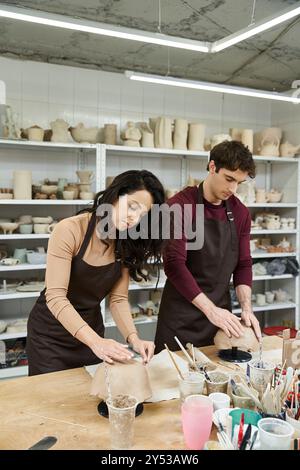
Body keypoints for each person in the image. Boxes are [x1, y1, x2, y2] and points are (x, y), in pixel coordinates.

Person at [27, 170, 165, 375]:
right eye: (132, 206)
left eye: (142, 214)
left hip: (91, 334)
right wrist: (96, 342)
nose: (133, 218)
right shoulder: (70, 230)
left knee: (88, 400)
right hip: (50, 338)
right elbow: (55, 297)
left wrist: (133, 338)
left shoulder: (125, 242)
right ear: (114, 196)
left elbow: (117, 299)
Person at [155, 140, 261, 353]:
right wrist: (210, 310)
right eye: (229, 179)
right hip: (180, 319)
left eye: (238, 183)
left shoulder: (240, 213)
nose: (232, 189)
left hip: (220, 321)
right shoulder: (178, 206)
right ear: (212, 167)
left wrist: (246, 308)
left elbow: (243, 264)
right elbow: (174, 265)